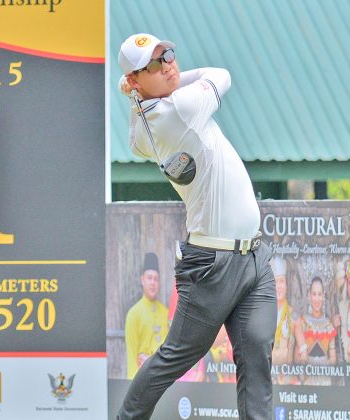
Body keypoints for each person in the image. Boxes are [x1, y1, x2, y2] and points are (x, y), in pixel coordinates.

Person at [116, 33, 275, 420]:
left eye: (168, 54)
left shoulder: (144, 127)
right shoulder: (181, 108)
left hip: (254, 257)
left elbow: (137, 134)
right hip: (212, 265)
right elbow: (221, 75)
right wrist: (170, 82)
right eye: (154, 64)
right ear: (135, 79)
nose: (169, 65)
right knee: (174, 357)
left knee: (256, 356)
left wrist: (139, 93)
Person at [124, 252, 169, 380]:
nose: (152, 282)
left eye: (156, 279)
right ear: (142, 280)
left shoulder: (166, 313)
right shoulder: (134, 314)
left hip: (162, 377)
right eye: (149, 278)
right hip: (142, 379)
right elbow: (132, 357)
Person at [293, 277, 337, 386]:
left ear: (323, 296)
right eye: (314, 294)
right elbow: (296, 357)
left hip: (325, 381)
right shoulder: (302, 323)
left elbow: (333, 358)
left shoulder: (329, 325)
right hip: (307, 381)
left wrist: (323, 367)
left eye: (319, 294)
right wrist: (304, 365)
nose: (317, 299)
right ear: (309, 296)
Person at [271, 256, 297, 385]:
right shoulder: (262, 314)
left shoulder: (293, 315)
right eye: (275, 282)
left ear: (287, 285)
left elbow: (301, 353)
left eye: (281, 282)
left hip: (287, 381)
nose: (278, 287)